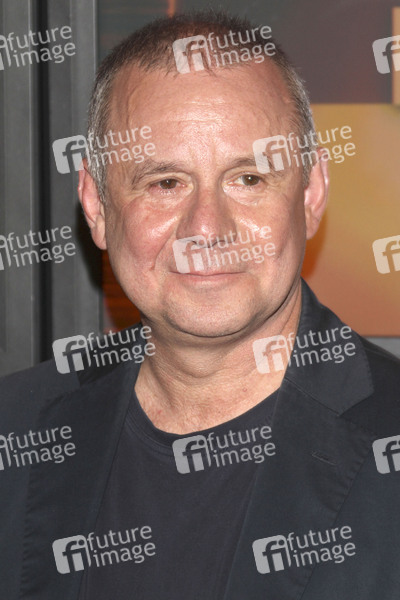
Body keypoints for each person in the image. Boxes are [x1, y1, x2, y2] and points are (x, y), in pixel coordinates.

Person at [1, 11, 400, 600]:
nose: (207, 229)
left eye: (249, 179)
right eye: (165, 182)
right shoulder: (14, 429)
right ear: (96, 205)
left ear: (311, 194)